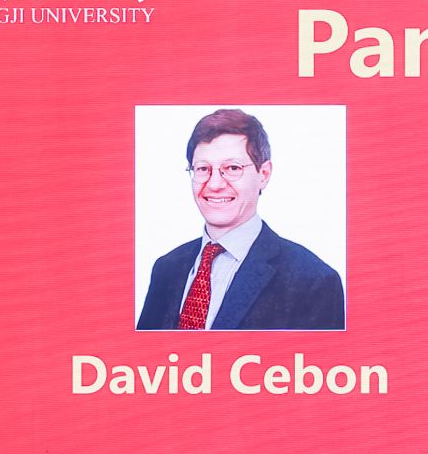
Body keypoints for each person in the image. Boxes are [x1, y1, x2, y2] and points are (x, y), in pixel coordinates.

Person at [138, 108, 346, 330]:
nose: (215, 184)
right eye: (203, 168)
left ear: (263, 175)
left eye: (232, 168)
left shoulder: (313, 281)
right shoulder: (166, 269)